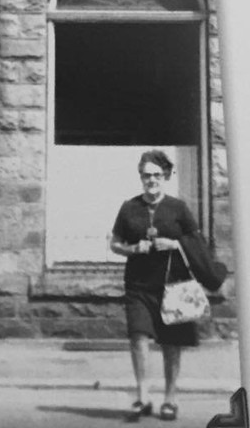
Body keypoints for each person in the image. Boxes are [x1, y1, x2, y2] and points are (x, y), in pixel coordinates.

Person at [111, 149, 199, 422]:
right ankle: (143, 396)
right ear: (140, 177)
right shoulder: (129, 208)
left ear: (166, 176)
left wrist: (174, 244)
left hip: (173, 285)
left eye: (157, 175)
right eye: (147, 175)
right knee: (138, 337)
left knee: (171, 344)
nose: (152, 180)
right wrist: (133, 248)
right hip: (138, 285)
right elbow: (114, 244)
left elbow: (197, 244)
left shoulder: (178, 208)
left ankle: (170, 399)